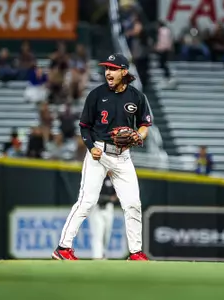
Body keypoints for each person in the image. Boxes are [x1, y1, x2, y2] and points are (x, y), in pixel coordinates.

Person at [52, 53, 152, 261]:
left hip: (123, 156)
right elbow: (84, 126)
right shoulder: (96, 95)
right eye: (106, 68)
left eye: (113, 68)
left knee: (133, 203)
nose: (108, 72)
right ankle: (63, 248)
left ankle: (135, 252)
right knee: (86, 201)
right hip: (99, 152)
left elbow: (144, 125)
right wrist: (90, 147)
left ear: (124, 72)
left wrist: (138, 135)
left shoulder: (137, 97)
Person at [89, 175, 118, 260]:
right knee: (98, 233)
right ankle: (97, 256)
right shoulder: (94, 177)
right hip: (96, 208)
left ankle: (103, 254)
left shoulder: (112, 179)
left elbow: (117, 194)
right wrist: (109, 198)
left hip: (108, 208)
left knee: (107, 234)